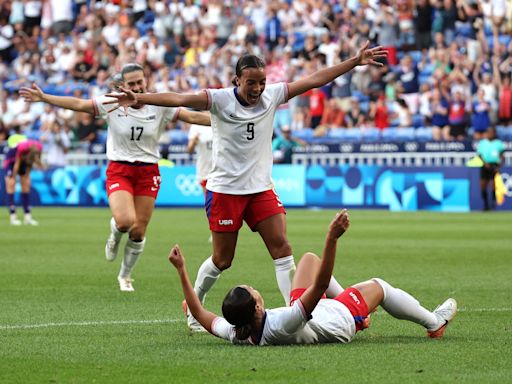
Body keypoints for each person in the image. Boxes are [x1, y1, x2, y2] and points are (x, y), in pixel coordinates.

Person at [106, 41, 387, 330]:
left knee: (282, 249)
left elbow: (314, 79)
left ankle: (295, 313)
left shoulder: (273, 95)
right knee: (222, 259)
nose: (257, 88)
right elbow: (180, 98)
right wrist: (143, 99)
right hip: (225, 191)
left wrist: (353, 62)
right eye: (251, 82)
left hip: (260, 189)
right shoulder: (219, 99)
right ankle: (193, 307)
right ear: (237, 80)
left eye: (262, 82)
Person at [20, 63, 211, 292]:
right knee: (124, 221)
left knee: (139, 231)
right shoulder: (112, 102)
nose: (137, 86)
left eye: (140, 81)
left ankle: (125, 275)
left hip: (148, 170)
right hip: (120, 168)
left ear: (145, 81)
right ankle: (114, 233)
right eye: (131, 83)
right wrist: (44, 97)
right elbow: (79, 104)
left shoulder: (159, 104)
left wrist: (229, 119)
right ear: (122, 85)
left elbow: (191, 116)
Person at [168, 209, 458, 345]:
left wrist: (182, 271)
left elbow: (200, 313)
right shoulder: (283, 323)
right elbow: (321, 284)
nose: (255, 288)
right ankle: (434, 323)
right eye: (253, 291)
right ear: (257, 306)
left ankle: (363, 314)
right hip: (336, 320)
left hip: (309, 313)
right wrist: (332, 238)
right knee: (379, 286)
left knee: (307, 260)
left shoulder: (236, 332)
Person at [2, 139, 43, 225]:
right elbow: (17, 164)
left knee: (26, 186)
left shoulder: (39, 147)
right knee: (11, 185)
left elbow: (31, 164)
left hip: (23, 162)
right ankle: (13, 217)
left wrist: (27, 174)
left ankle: (27, 217)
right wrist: (13, 176)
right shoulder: (22, 148)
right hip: (11, 160)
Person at [477, 127, 505, 211]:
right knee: (483, 185)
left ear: (494, 133)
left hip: (494, 165)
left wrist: (498, 166)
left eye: (492, 132)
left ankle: (493, 203)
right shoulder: (482, 143)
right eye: (488, 132)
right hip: (484, 165)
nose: (490, 134)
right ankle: (485, 205)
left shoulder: (498, 143)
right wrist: (485, 163)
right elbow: (480, 155)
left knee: (493, 185)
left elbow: (502, 156)